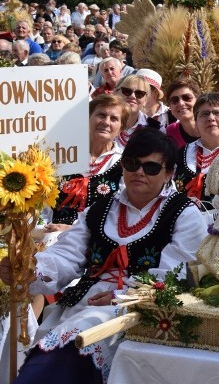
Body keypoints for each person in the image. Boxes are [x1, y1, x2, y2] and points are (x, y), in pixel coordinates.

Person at [1, 128, 207, 384]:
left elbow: (178, 274)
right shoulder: (101, 207)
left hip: (142, 313)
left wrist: (125, 296)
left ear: (169, 173)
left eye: (152, 167)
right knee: (44, 352)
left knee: (66, 353)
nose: (139, 172)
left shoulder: (184, 213)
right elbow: (67, 255)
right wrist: (31, 268)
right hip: (85, 303)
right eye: (132, 163)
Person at [51, 94, 129, 227]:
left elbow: (120, 214)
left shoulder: (125, 164)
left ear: (121, 128)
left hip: (95, 239)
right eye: (101, 115)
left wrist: (71, 229)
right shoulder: (64, 153)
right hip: (51, 233)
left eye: (114, 118)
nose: (106, 122)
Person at [174, 92, 219, 203]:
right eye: (204, 114)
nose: (211, 118)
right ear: (196, 122)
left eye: (217, 113)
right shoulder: (181, 154)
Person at [114, 74, 156, 147]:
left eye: (139, 93)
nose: (132, 96)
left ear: (145, 100)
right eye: (127, 91)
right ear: (116, 93)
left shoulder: (155, 129)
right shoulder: (104, 121)